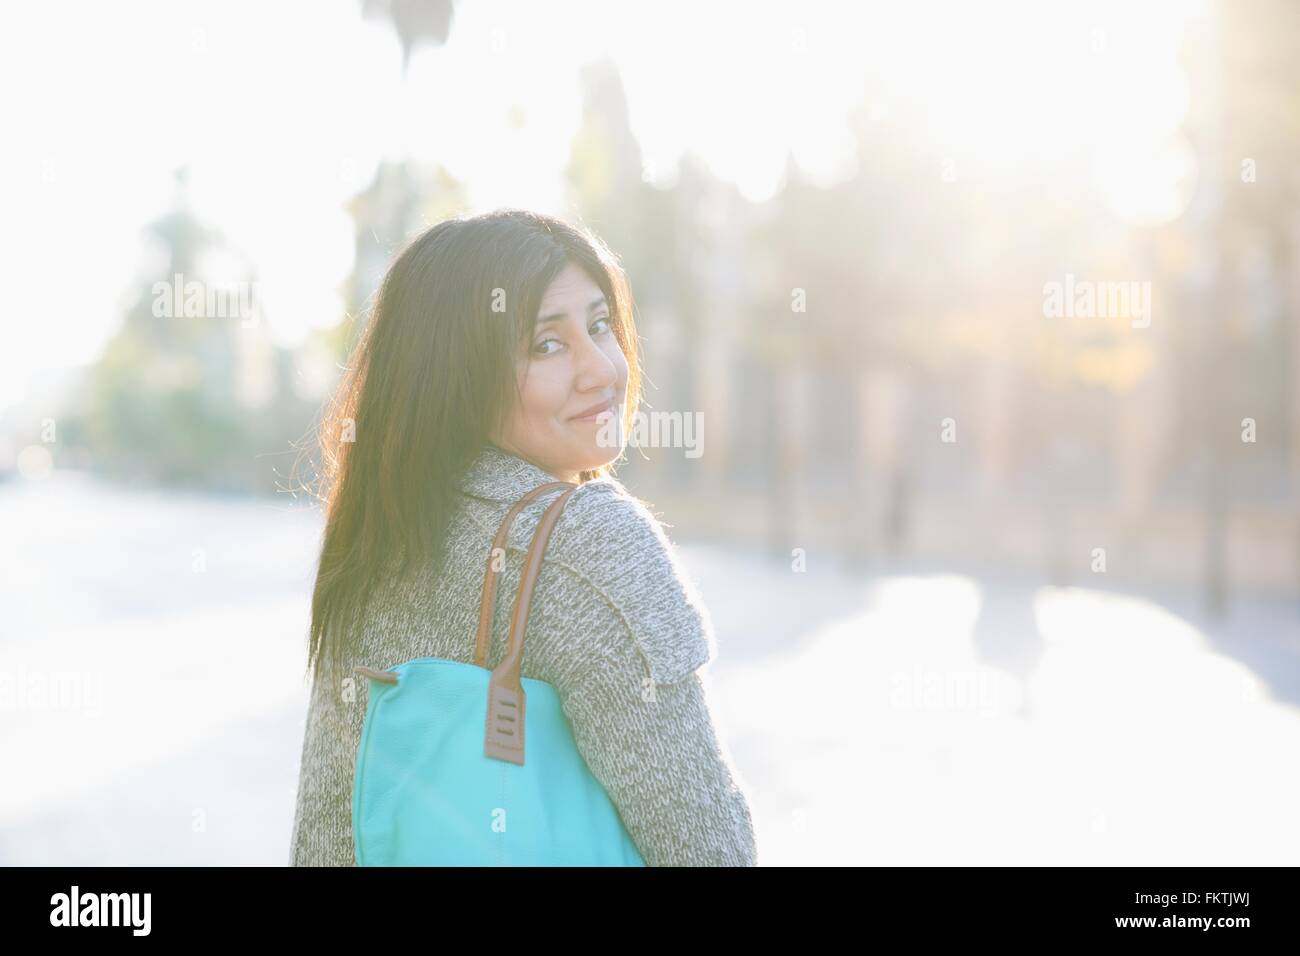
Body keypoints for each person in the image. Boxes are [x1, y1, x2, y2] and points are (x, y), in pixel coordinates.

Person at [288, 208, 757, 866]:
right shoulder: (591, 540)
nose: (601, 368)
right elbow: (710, 849)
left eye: (599, 326)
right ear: (462, 379)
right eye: (547, 345)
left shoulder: (377, 541)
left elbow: (322, 841)